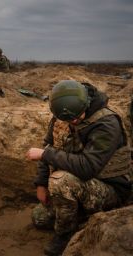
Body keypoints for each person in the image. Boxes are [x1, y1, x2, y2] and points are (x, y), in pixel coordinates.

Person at [26, 80, 132, 256]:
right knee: (39, 217)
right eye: (68, 119)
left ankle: (65, 236)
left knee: (61, 182)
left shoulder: (106, 123)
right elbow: (49, 145)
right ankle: (81, 216)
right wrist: (41, 184)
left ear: (86, 104)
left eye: (77, 117)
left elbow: (87, 167)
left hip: (111, 188)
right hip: (83, 184)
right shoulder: (64, 114)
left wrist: (46, 155)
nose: (73, 121)